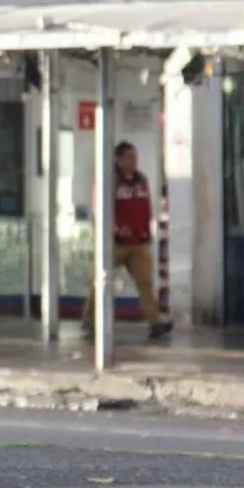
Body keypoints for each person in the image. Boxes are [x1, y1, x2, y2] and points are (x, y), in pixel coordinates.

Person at [82, 141, 173, 340]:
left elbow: (145, 207)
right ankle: (90, 319)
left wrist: (147, 231)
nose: (134, 161)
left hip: (138, 242)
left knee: (145, 282)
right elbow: (100, 210)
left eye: (135, 157)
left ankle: (155, 321)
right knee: (101, 280)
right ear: (119, 159)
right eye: (129, 157)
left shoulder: (141, 180)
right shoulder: (109, 180)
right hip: (115, 243)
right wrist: (114, 229)